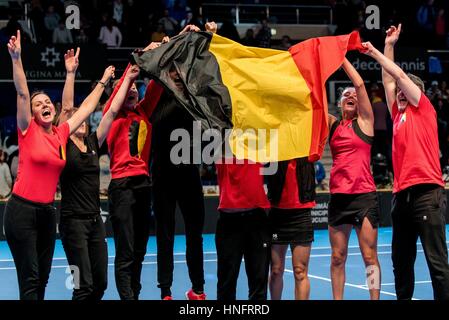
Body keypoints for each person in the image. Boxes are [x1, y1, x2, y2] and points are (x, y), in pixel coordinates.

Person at [3, 31, 113, 300]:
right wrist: (16, 58)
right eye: (37, 103)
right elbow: (21, 91)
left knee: (42, 278)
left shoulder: (61, 134)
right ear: (32, 111)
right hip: (21, 212)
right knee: (30, 280)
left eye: (46, 102)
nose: (43, 105)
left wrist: (103, 82)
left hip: (47, 213)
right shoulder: (26, 129)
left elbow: (85, 109)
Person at [362, 24, 449, 300]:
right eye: (397, 91)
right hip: (402, 197)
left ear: (414, 93)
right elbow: (390, 80)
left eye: (403, 89)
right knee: (401, 262)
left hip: (426, 193)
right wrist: (389, 44)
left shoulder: (423, 107)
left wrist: (375, 52)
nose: (398, 91)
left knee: (437, 263)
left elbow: (397, 75)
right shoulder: (397, 114)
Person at [150, 22, 216, 301]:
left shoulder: (194, 97)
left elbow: (207, 68)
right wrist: (178, 38)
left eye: (181, 70)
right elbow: (152, 58)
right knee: (164, 236)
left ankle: (198, 289)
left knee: (194, 235)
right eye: (173, 70)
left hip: (189, 173)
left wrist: (208, 37)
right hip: (162, 174)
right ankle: (165, 291)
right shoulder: (158, 94)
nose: (177, 74)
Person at [57, 49, 120, 300]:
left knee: (101, 284)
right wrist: (70, 73)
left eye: (83, 118)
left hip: (96, 223)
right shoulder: (62, 143)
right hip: (73, 224)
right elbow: (69, 107)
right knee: (82, 286)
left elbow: (112, 111)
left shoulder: (94, 141)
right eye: (74, 118)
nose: (80, 120)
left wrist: (125, 79)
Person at [104, 42, 164, 300]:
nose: (132, 92)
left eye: (135, 90)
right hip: (122, 187)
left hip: (143, 186)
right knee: (126, 250)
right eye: (127, 89)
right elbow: (123, 84)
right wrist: (138, 57)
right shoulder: (112, 113)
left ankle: (134, 295)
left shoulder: (144, 112)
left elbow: (158, 84)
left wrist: (165, 47)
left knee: (140, 249)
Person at [327, 57, 381, 300]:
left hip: (364, 197)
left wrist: (340, 58)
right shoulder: (332, 125)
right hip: (339, 198)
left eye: (353, 95)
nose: (350, 95)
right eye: (344, 95)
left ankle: (374, 298)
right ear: (339, 104)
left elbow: (359, 84)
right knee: (338, 257)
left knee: (369, 256)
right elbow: (314, 100)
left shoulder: (366, 122)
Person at [215, 157, 271, 300]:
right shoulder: (221, 144)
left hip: (256, 220)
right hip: (229, 221)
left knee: (259, 285)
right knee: (226, 285)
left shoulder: (259, 146)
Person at [266, 157, 316, 300]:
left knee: (300, 271)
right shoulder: (274, 141)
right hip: (277, 214)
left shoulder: (306, 140)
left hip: (301, 214)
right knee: (275, 270)